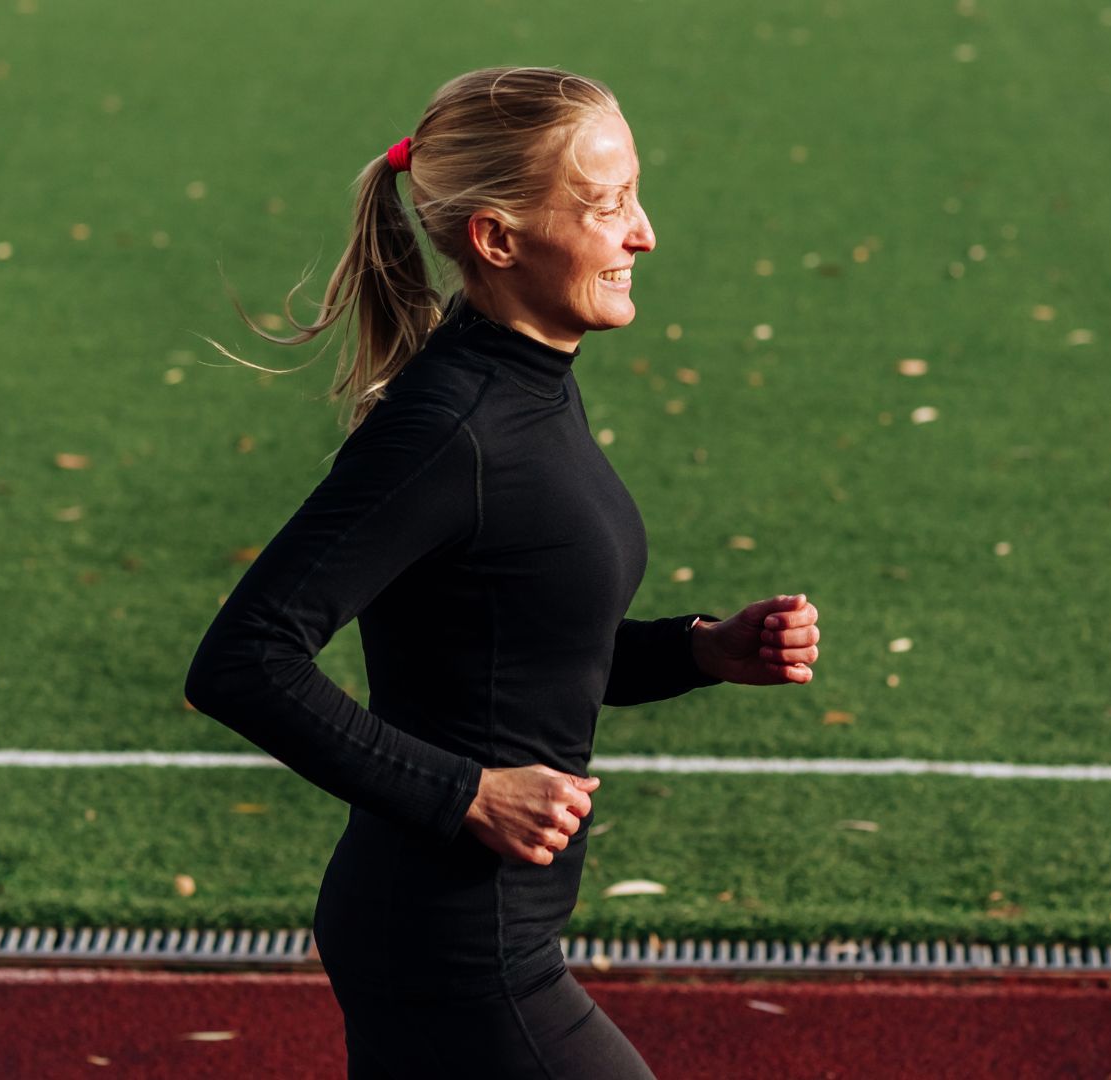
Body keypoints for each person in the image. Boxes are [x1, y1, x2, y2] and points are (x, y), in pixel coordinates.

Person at [184, 66, 822, 1079]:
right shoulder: (456, 425)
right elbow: (243, 660)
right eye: (608, 205)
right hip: (453, 949)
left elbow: (516, 646)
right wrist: (467, 794)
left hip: (464, 934)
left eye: (635, 195)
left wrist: (700, 650)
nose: (643, 233)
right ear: (496, 238)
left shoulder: (530, 381)